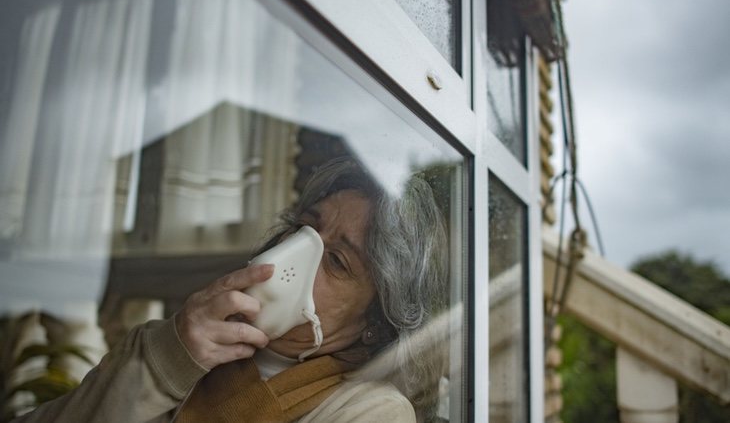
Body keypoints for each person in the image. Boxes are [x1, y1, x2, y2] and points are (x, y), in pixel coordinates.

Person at [13, 157, 448, 422]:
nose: (296, 253)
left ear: (373, 321)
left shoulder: (370, 412)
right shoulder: (178, 344)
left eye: (336, 261)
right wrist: (166, 360)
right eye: (305, 229)